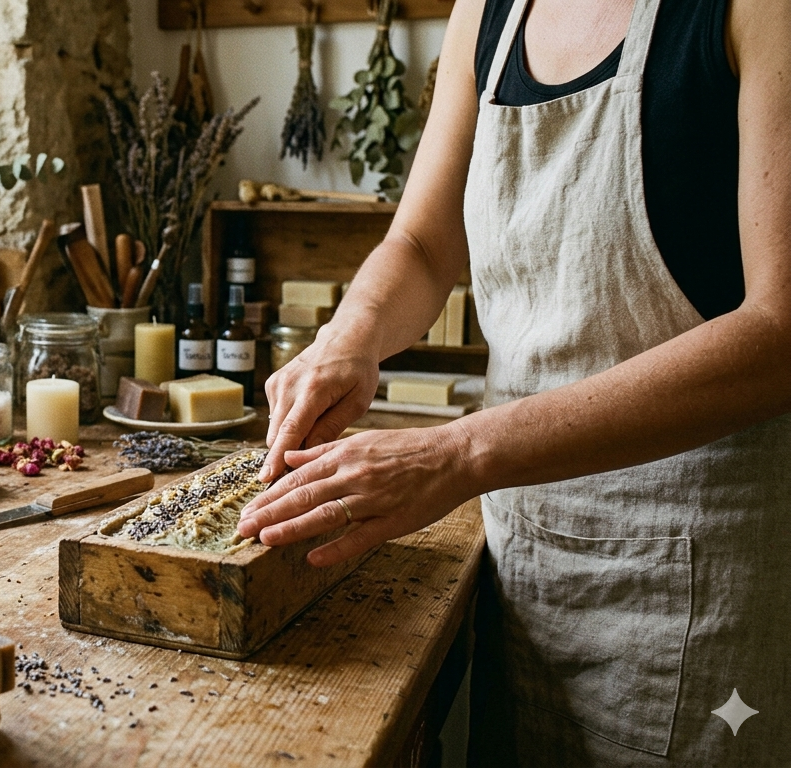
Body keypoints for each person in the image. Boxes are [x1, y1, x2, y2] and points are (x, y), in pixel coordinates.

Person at [237, 0, 790, 762]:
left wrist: (458, 453)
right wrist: (348, 336)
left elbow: (780, 332)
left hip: (694, 590)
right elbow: (424, 243)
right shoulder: (486, 12)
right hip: (524, 567)